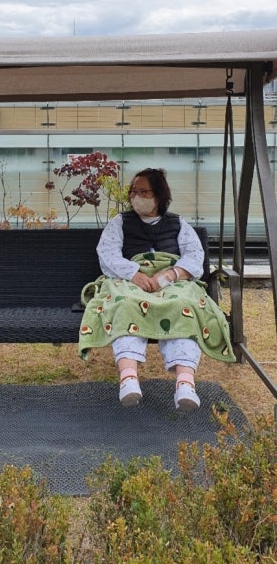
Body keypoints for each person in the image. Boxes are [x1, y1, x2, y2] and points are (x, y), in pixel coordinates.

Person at [78, 167, 236, 412]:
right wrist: (134, 274)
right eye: (134, 192)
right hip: (129, 280)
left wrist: (172, 274)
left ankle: (185, 384)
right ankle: (128, 379)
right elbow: (107, 254)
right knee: (124, 303)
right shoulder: (120, 223)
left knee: (184, 305)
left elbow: (195, 256)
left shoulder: (178, 224)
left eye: (144, 192)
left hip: (173, 280)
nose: (136, 196)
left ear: (159, 195)